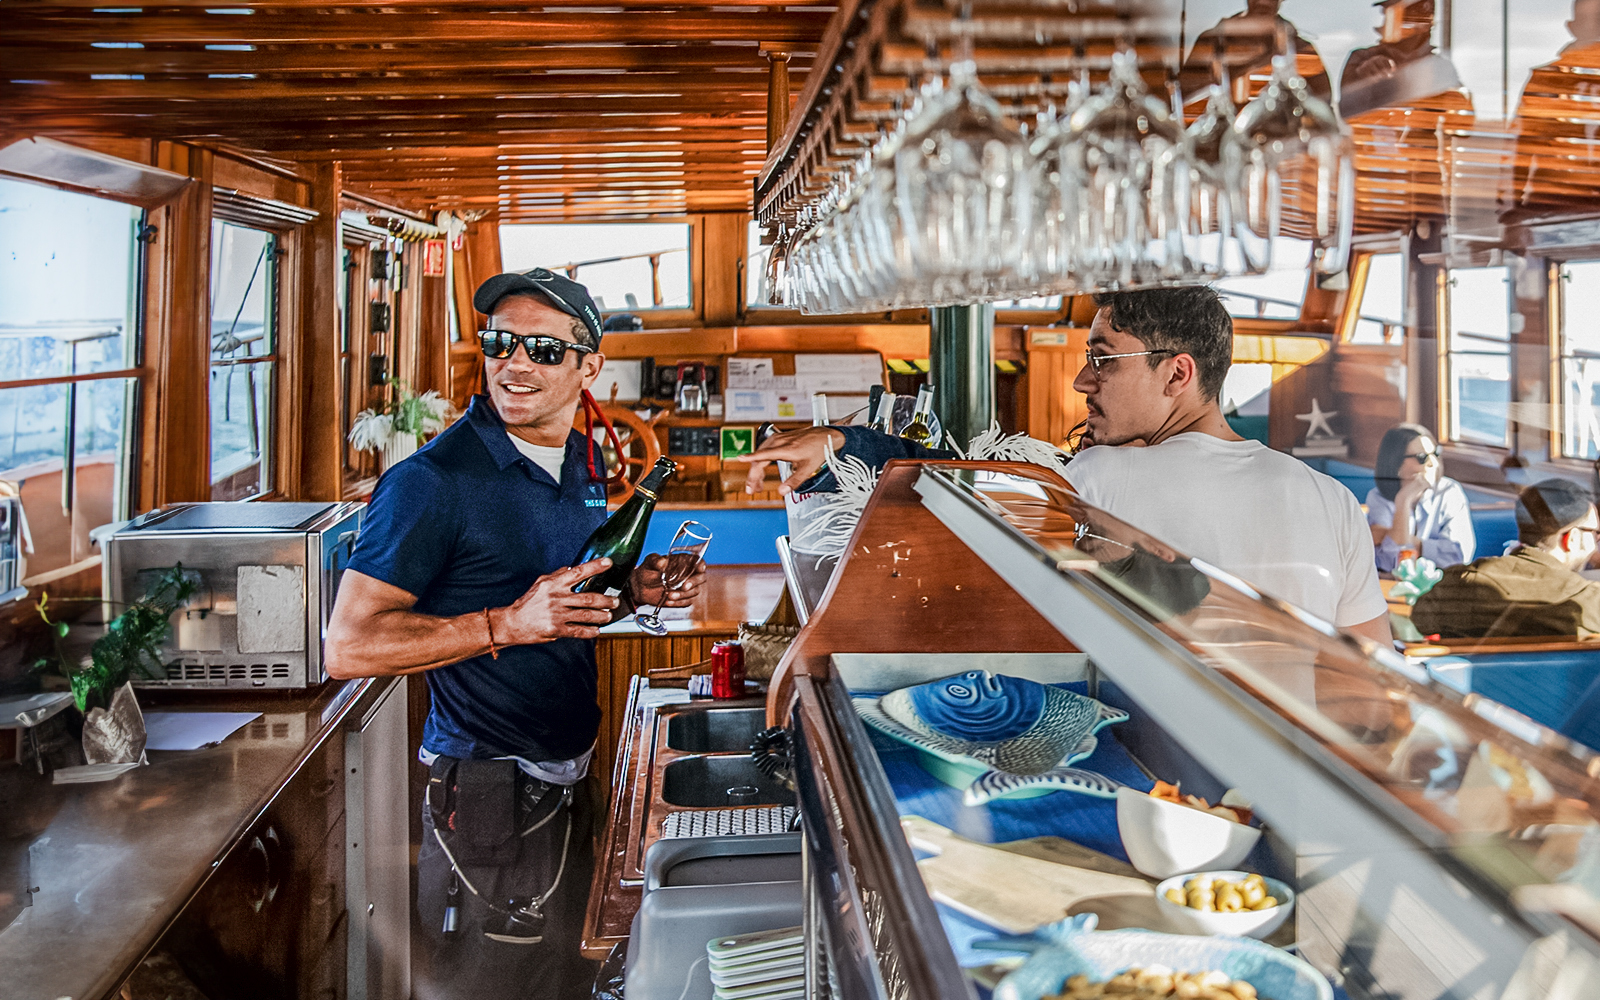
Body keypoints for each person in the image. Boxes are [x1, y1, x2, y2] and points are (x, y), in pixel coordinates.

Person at [324, 267, 706, 1000]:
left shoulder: (582, 458)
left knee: (562, 977)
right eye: (501, 343)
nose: (516, 363)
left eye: (544, 349)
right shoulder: (432, 482)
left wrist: (634, 591)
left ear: (589, 367)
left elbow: (563, 594)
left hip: (568, 775)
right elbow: (349, 646)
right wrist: (505, 623)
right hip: (487, 796)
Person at [743, 287, 1391, 645]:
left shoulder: (1101, 481)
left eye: (1103, 359)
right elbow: (1369, 671)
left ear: (1177, 374)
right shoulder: (1333, 500)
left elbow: (951, 503)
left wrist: (844, 449)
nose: (1082, 380)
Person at [1411, 478, 1600, 639]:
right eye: (1594, 534)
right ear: (1572, 538)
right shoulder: (1588, 600)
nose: (1596, 542)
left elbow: (1421, 620)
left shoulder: (1462, 581)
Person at [1366, 423, 1475, 573]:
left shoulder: (1450, 492)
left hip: (1441, 581)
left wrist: (1411, 541)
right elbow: (1388, 562)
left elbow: (1459, 555)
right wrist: (1403, 501)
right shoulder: (1378, 498)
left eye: (1435, 454)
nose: (1434, 463)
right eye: (1422, 458)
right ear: (1396, 463)